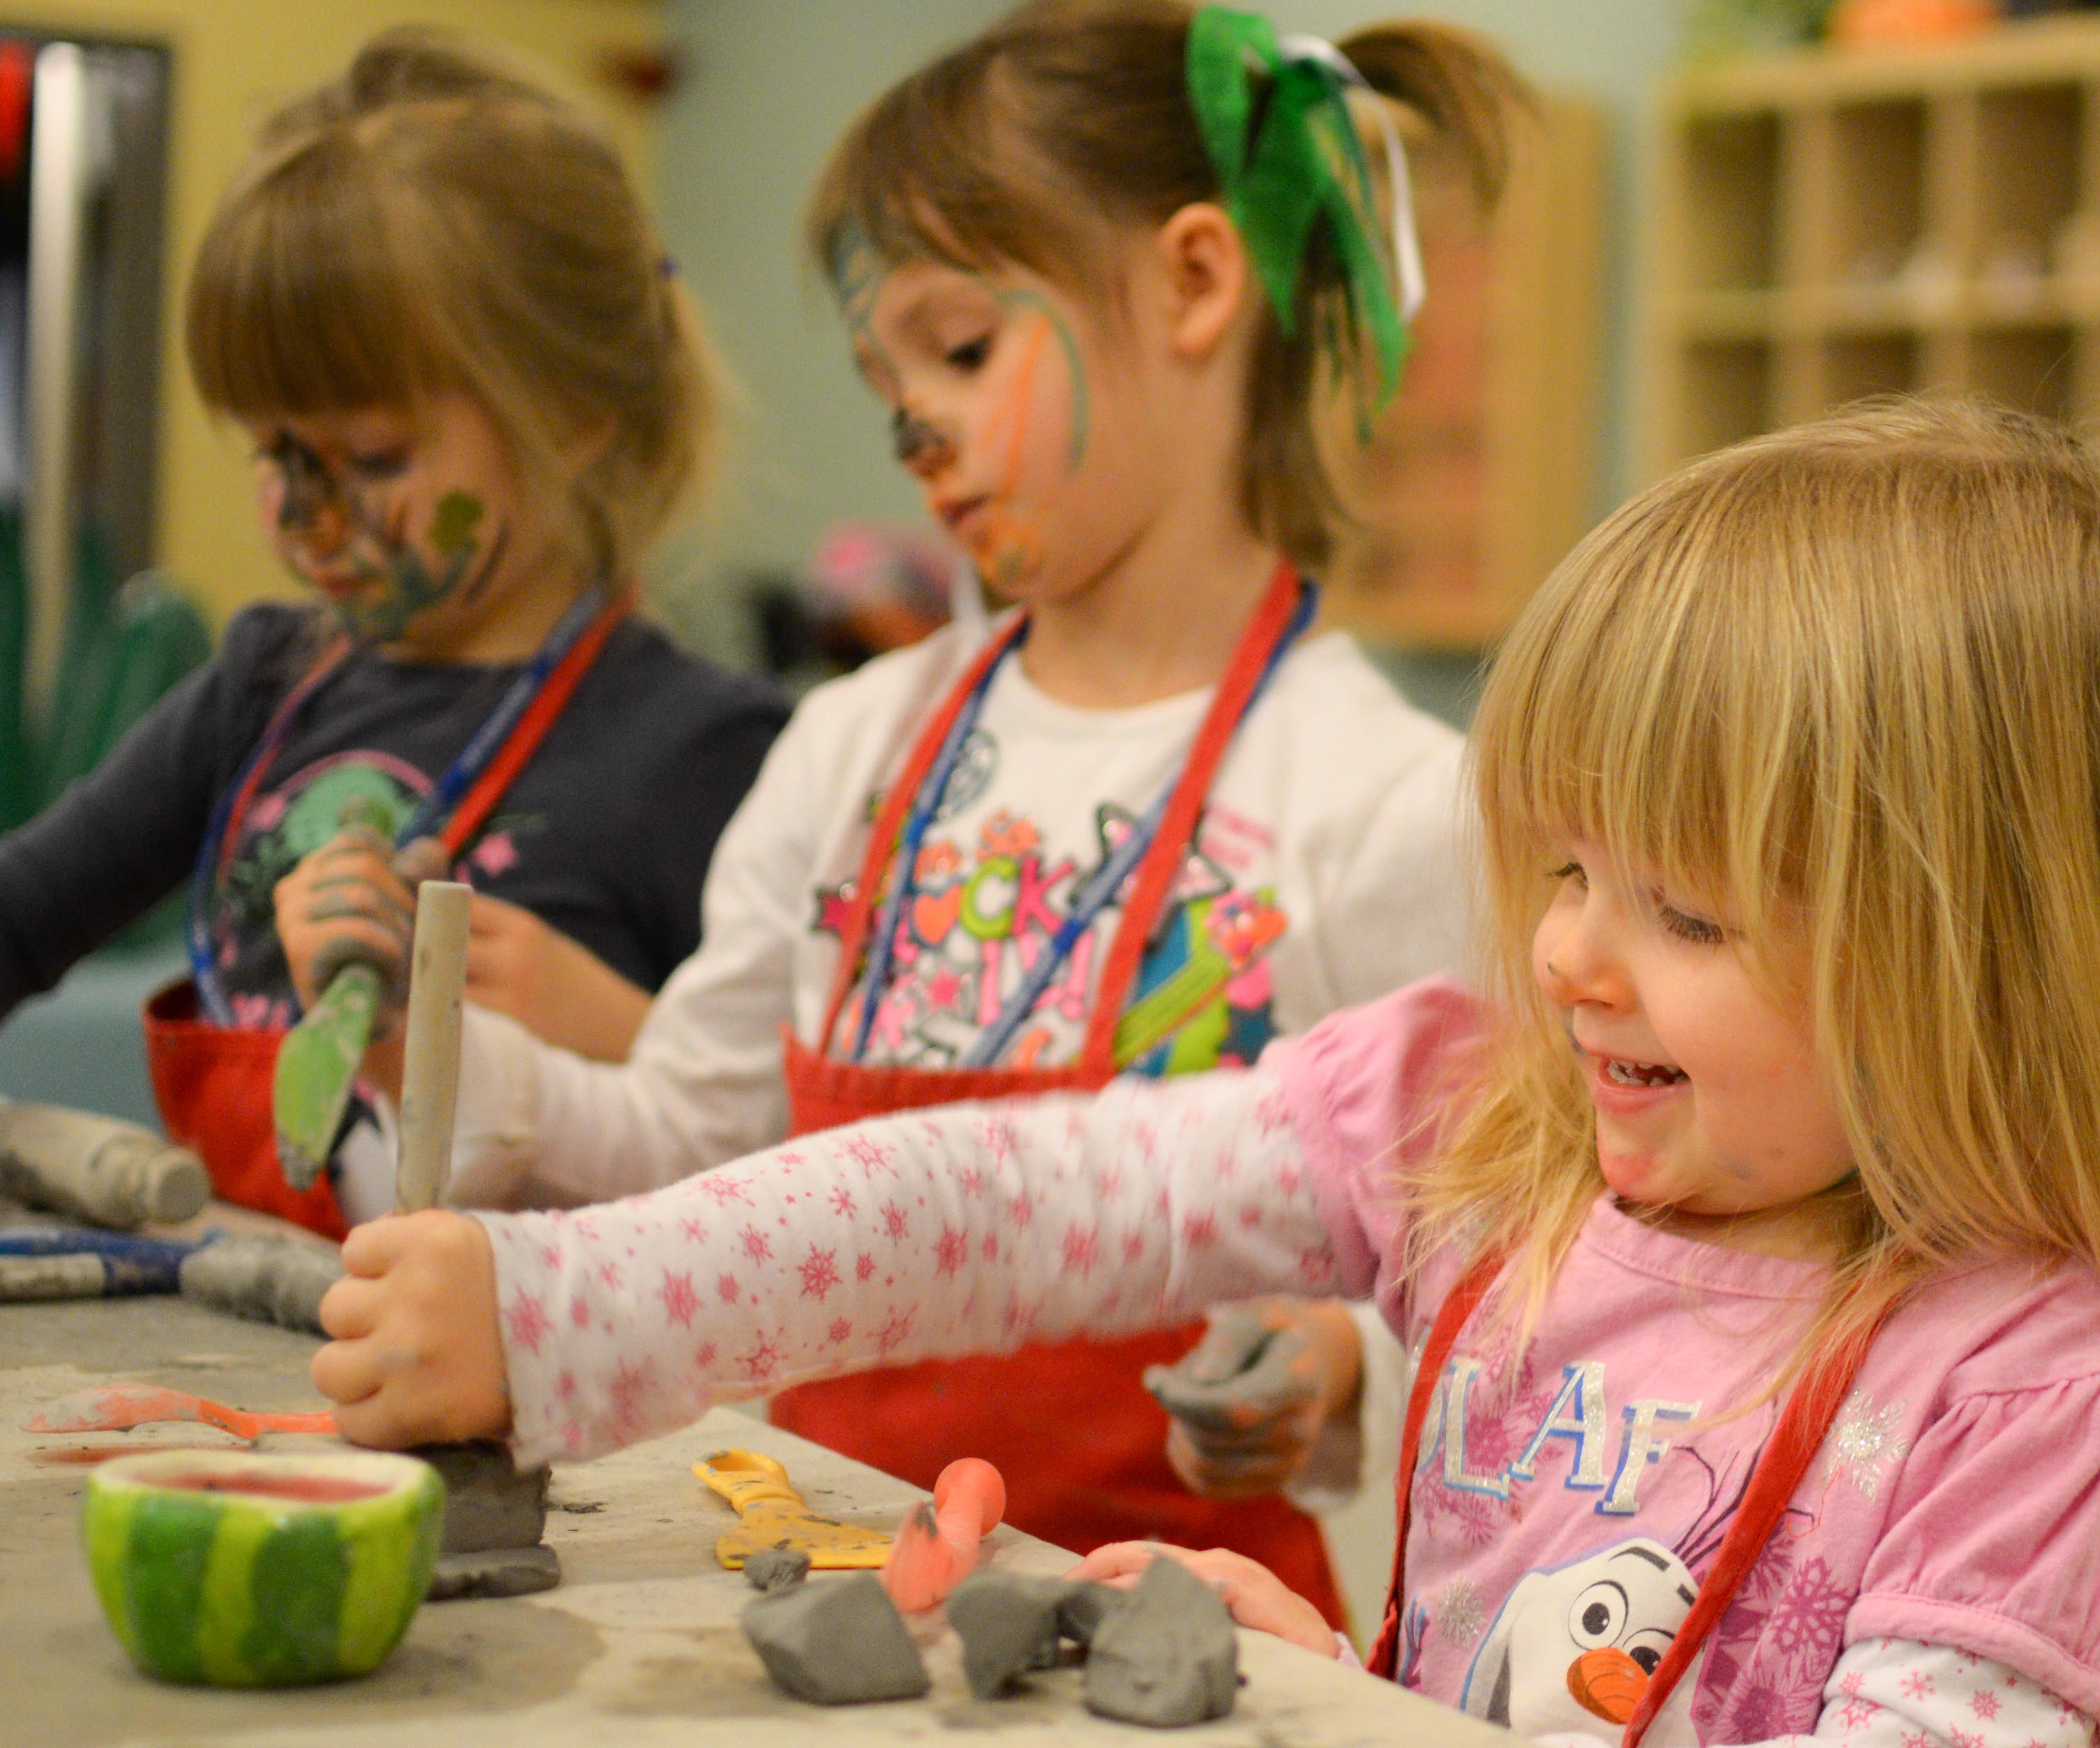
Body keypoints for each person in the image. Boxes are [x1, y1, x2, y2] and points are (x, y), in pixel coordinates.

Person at [315, 401, 2100, 1745]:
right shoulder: (1480, 1119)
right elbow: (1002, 1202)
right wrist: (568, 1309)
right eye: (1569, 867)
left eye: (1687, 912)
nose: (1568, 956)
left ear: (1997, 962)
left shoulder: (2035, 1400)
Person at [305, 1, 1516, 1625]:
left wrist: (1336, 1360)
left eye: (958, 348)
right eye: (888, 384)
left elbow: (1492, 1285)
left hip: (1167, 1645)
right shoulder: (851, 746)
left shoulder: (1382, 800)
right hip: (822, 1600)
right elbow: (687, 1141)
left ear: (1192, 283)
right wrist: (430, 1046)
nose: (913, 426)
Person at [0, 30, 789, 1237]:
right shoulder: (263, 686)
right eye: (276, 452)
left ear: (573, 416)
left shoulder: (708, 752)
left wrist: (624, 1033)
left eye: (371, 457)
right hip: (220, 1319)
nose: (306, 514)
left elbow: (795, 1162)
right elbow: (22, 916)